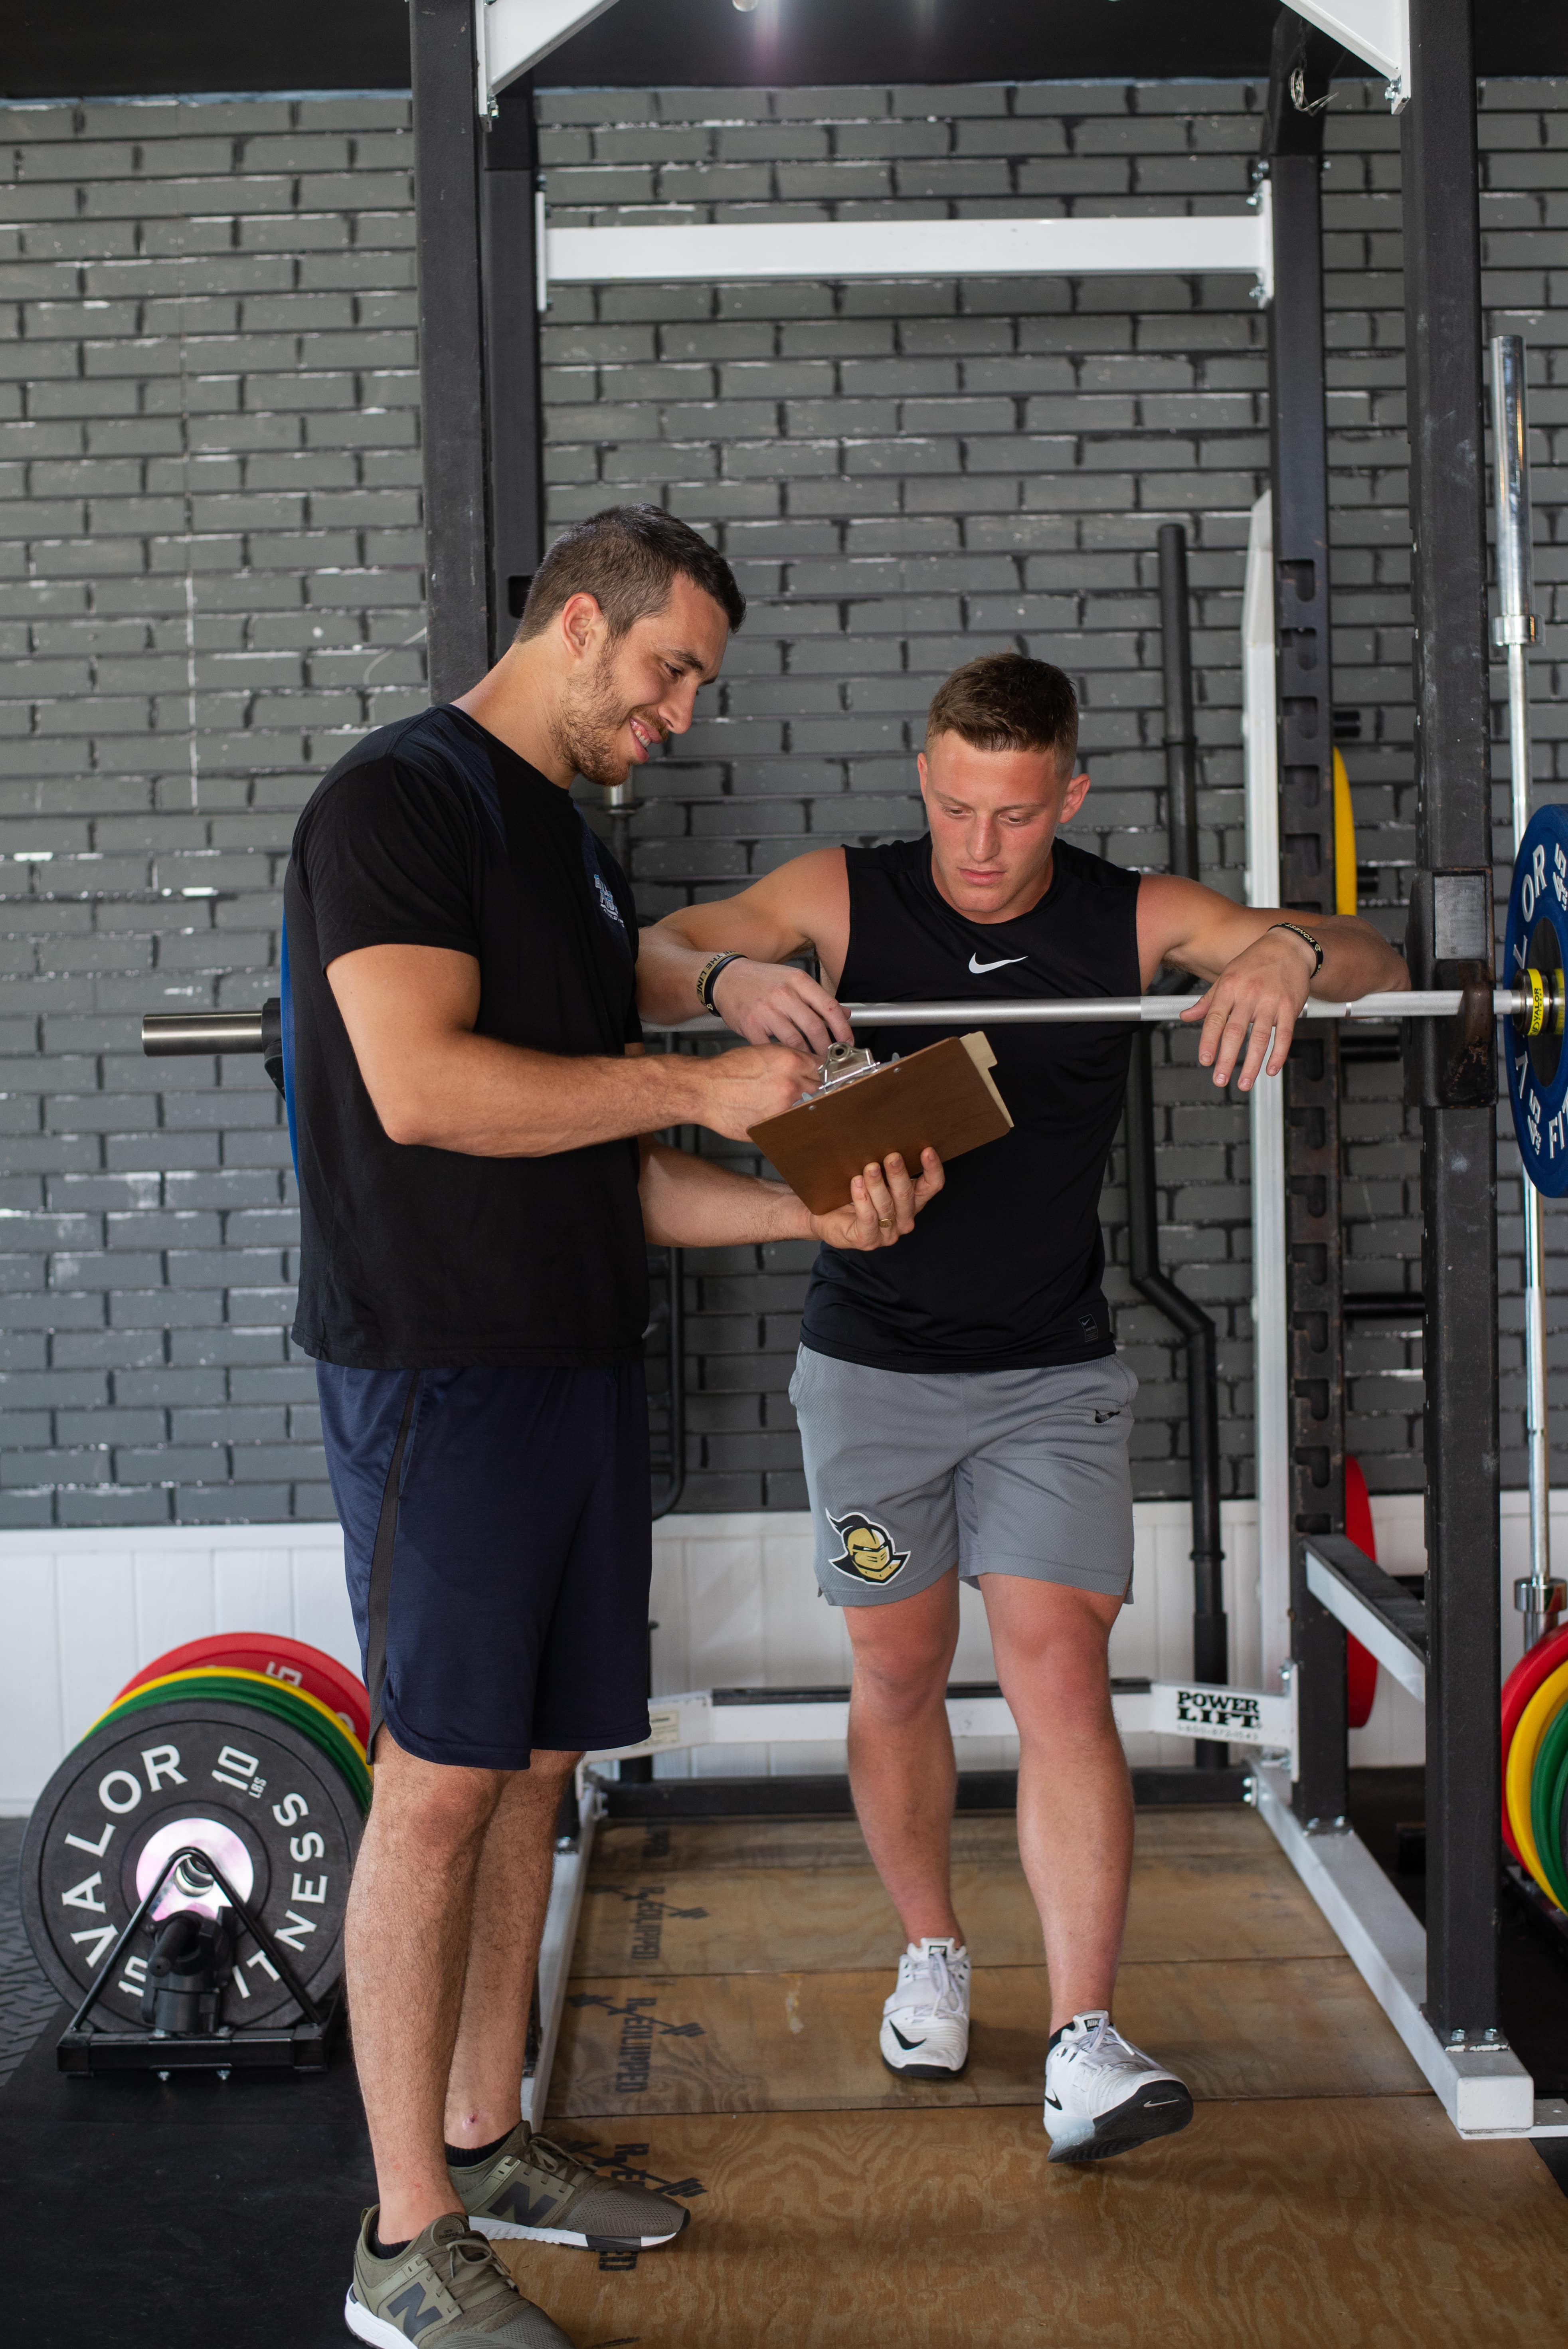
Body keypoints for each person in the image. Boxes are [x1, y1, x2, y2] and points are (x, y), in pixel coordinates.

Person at [283, 504, 944, 2349]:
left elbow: (614, 1170)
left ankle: (485, 2136)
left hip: (571, 1361)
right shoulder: (397, 804)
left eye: (690, 690)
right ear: (579, 622)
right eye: (666, 674)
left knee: (539, 1763)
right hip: (439, 1364)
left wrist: (795, 1200)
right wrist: (713, 1071)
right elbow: (421, 1088)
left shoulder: (567, 850)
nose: (673, 716)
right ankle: (404, 2234)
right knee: (433, 1784)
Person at [637, 649, 1409, 2164]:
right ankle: (930, 1949)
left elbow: (1373, 954)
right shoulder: (848, 895)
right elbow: (650, 949)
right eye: (951, 808)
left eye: (1011, 815)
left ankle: (1084, 2039)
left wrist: (1286, 960)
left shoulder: (1129, 912)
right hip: (866, 1380)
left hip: (1052, 1377)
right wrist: (729, 978)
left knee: (1059, 1669)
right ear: (922, 779)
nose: (978, 849)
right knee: (897, 1668)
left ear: (1069, 792)